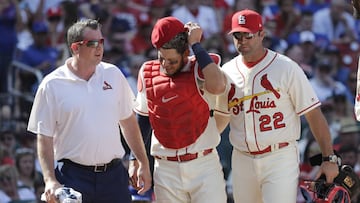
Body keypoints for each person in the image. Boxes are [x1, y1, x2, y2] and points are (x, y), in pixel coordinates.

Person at [216, 9, 339, 203]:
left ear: (261, 34)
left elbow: (313, 114)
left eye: (248, 34)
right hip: (242, 158)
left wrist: (329, 158)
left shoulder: (286, 67)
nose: (242, 40)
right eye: (237, 35)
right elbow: (222, 117)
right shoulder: (227, 71)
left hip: (279, 156)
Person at [27, 18, 152, 203]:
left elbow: (128, 122)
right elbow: (44, 136)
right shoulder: (51, 84)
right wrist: (50, 180)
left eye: (101, 41)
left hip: (114, 176)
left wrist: (142, 161)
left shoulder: (114, 74)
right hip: (72, 177)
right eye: (92, 43)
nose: (99, 47)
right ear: (75, 48)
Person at [129, 16, 227, 203]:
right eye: (161, 58)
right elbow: (142, 120)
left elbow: (218, 86)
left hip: (204, 165)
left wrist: (196, 45)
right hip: (165, 168)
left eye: (172, 60)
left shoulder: (199, 66)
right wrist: (135, 160)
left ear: (184, 54)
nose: (165, 64)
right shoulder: (147, 72)